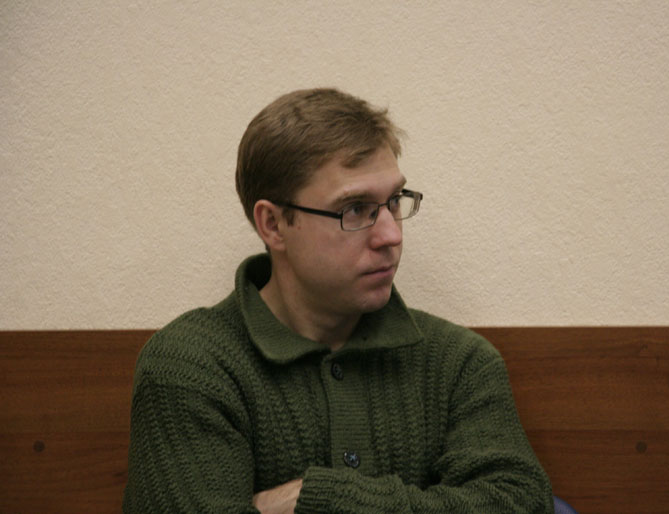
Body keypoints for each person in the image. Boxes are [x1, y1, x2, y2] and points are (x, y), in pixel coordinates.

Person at [123, 88, 553, 513]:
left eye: (394, 202)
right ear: (273, 224)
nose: (391, 235)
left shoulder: (458, 362)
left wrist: (319, 500)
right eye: (355, 209)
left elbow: (522, 503)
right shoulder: (191, 367)